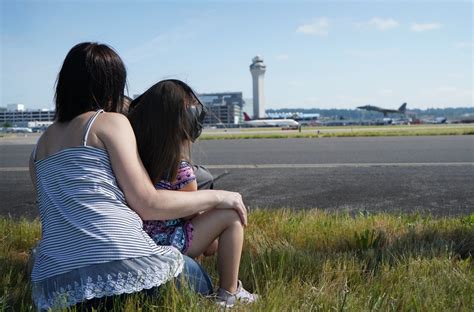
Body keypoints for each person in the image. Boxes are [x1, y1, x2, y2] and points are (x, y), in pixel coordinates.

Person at [29, 42, 248, 310]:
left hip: (58, 292)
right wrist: (219, 196)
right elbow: (148, 203)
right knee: (196, 276)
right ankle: (231, 295)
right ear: (112, 86)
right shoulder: (109, 123)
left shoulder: (38, 149)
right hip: (130, 275)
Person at [127, 79, 258, 307]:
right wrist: (213, 241)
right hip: (169, 243)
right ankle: (229, 293)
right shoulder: (182, 172)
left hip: (139, 241)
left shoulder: (134, 162)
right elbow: (189, 217)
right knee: (231, 217)